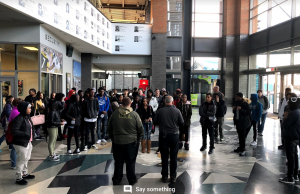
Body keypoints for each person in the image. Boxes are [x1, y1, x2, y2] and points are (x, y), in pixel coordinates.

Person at [107, 97, 144, 186]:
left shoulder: (115, 114)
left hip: (117, 142)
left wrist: (114, 138)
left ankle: (116, 179)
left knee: (118, 161)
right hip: (131, 143)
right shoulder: (135, 115)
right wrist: (138, 140)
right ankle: (131, 180)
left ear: (122, 104)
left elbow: (109, 129)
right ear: (130, 103)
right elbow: (141, 130)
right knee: (130, 162)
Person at [154, 96, 184, 183]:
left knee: (164, 156)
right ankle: (173, 176)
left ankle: (164, 176)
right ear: (172, 102)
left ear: (164, 101)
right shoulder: (177, 111)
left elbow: (155, 122)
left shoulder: (160, 111)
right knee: (174, 157)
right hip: (174, 136)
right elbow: (181, 123)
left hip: (163, 136)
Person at [11, 102, 35, 185]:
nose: (30, 109)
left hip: (27, 141)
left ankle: (24, 173)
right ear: (24, 109)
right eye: (29, 108)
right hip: (21, 142)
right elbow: (14, 131)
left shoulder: (27, 117)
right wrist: (25, 133)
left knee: (26, 158)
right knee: (21, 159)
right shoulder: (19, 118)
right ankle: (19, 177)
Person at [279, 94, 300, 184]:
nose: (288, 104)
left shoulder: (293, 113)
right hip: (295, 136)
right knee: (295, 156)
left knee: (291, 157)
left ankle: (290, 177)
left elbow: (285, 125)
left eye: (289, 102)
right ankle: (295, 175)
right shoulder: (298, 111)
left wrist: (285, 116)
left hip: (290, 136)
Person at [233, 92, 252, 156]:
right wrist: (234, 110)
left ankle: (243, 149)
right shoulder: (236, 103)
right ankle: (240, 147)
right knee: (239, 135)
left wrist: (241, 110)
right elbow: (235, 113)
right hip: (238, 121)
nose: (236, 98)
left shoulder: (245, 104)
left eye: (237, 97)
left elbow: (248, 113)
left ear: (240, 97)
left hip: (243, 122)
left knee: (242, 136)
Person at [47, 93, 65, 161]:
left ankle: (52, 152)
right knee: (51, 141)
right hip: (52, 127)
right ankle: (51, 155)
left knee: (54, 140)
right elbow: (51, 121)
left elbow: (56, 119)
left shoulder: (55, 112)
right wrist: (59, 122)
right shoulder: (52, 112)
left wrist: (60, 120)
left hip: (55, 126)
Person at [8, 98, 22, 170]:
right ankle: (14, 163)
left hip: (13, 131)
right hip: (15, 132)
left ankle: (14, 162)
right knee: (14, 148)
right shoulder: (16, 112)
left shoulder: (14, 110)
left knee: (14, 148)